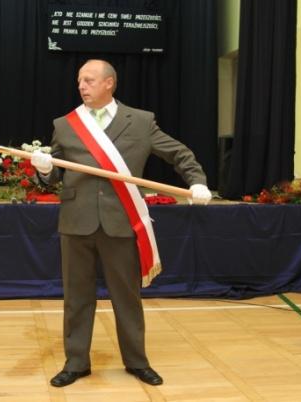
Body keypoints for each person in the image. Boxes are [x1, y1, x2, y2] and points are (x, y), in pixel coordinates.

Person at [30, 59, 211, 386]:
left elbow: (178, 154)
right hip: (76, 222)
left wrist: (197, 181)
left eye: (89, 80)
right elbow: (54, 176)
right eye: (80, 81)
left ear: (109, 83)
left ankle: (137, 361)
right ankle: (75, 362)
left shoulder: (140, 122)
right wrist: (44, 170)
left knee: (127, 296)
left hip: (121, 222)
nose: (82, 86)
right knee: (76, 297)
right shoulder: (66, 124)